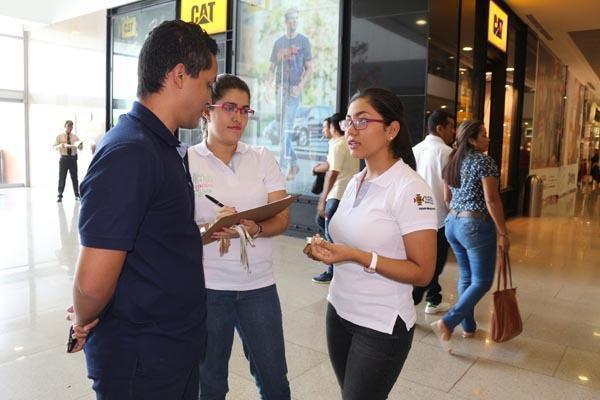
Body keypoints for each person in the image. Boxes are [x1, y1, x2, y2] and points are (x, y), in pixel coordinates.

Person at [69, 20, 218, 399]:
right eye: (208, 84)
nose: (209, 98)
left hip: (172, 349)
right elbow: (92, 282)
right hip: (142, 361)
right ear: (179, 75)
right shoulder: (130, 152)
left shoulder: (162, 146)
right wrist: (84, 317)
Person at [304, 88, 437, 399]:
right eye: (349, 121)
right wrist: (325, 248)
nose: (351, 130)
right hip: (339, 310)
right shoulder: (356, 180)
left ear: (391, 130)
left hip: (380, 323)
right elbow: (350, 239)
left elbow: (422, 272)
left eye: (362, 122)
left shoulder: (410, 189)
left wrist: (358, 256)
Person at [188, 74, 291, 400]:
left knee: (274, 378)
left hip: (258, 287)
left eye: (245, 110)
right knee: (211, 382)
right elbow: (176, 233)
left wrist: (256, 228)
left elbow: (282, 215)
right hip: (207, 288)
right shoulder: (186, 161)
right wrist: (210, 228)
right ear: (208, 110)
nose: (238, 117)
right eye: (229, 107)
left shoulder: (261, 157)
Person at [431, 120, 510, 352]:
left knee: (466, 275)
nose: (488, 138)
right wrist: (503, 232)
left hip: (452, 223)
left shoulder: (453, 161)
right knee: (483, 281)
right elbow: (492, 199)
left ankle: (469, 327)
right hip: (475, 225)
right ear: (472, 140)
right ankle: (449, 321)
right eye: (484, 135)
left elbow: (447, 198)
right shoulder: (484, 162)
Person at [411, 109, 455, 313]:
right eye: (451, 127)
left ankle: (433, 297)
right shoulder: (448, 153)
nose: (453, 132)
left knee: (422, 258)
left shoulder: (415, 150)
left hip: (416, 214)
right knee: (436, 261)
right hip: (440, 216)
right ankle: (417, 294)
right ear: (440, 128)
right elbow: (452, 188)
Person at [311, 112, 359, 284]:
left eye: (326, 126)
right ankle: (341, 264)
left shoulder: (338, 145)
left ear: (333, 127)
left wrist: (322, 199)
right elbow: (331, 166)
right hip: (346, 195)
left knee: (330, 233)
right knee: (332, 231)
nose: (324, 129)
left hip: (336, 195)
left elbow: (333, 172)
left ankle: (332, 271)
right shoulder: (345, 144)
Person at [267, 7, 313, 181]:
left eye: (296, 19)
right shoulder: (278, 43)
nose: (294, 22)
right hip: (279, 93)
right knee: (281, 131)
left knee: (286, 128)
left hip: (293, 93)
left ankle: (283, 168)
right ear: (286, 21)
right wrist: (268, 85)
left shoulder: (303, 41)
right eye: (291, 19)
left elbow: (310, 68)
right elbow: (271, 68)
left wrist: (300, 86)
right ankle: (294, 163)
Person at [53, 120, 80, 202]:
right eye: (69, 126)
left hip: (72, 159)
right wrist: (61, 145)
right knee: (62, 177)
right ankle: (60, 195)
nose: (70, 128)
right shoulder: (59, 136)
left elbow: (80, 147)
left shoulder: (75, 137)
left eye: (71, 126)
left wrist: (80, 145)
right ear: (65, 126)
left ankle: (77, 194)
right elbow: (54, 147)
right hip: (64, 159)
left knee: (74, 177)